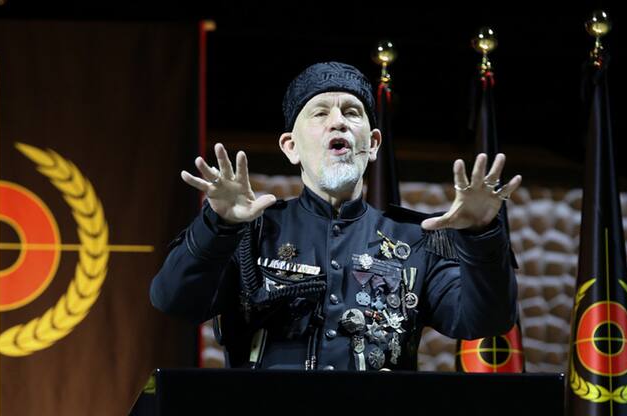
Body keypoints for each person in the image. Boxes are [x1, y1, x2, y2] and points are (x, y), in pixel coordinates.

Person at [150, 61, 521, 371]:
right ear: (291, 147)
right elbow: (173, 301)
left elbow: (484, 321)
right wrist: (218, 224)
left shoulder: (415, 240)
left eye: (352, 112)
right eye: (320, 112)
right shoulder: (251, 232)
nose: (338, 122)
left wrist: (481, 235)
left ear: (372, 144)